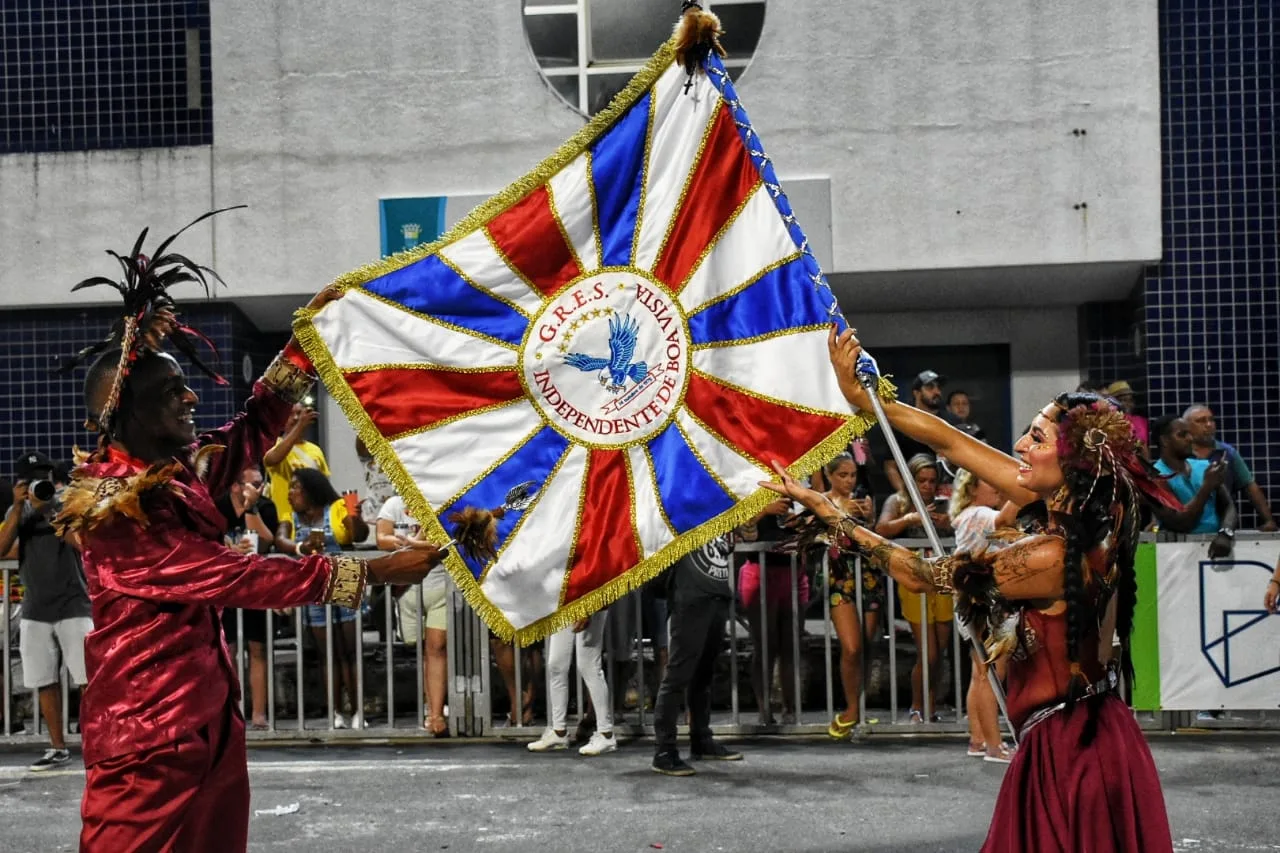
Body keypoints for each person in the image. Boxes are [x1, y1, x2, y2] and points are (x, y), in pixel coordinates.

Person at [53, 216, 440, 853]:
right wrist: (367, 572)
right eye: (172, 390)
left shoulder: (177, 474)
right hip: (146, 740)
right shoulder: (111, 508)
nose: (190, 399)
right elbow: (229, 574)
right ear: (125, 411)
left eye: (185, 385)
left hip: (209, 726)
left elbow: (250, 430)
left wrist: (303, 345)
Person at [761, 326, 1178, 852]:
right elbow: (952, 441)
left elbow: (921, 575)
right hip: (1092, 737)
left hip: (1070, 753)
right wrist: (867, 401)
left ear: (1073, 467)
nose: (1022, 445)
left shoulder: (1053, 555)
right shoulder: (1092, 520)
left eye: (1037, 438)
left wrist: (831, 518)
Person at [0, 451, 91, 771]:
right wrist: (19, 511)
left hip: (74, 604)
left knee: (88, 679)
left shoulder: (68, 505)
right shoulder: (17, 511)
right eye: (34, 478)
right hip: (35, 609)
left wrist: (55, 516)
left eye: (46, 476)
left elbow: (83, 545)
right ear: (21, 483)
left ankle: (98, 745)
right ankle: (57, 747)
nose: (43, 483)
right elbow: (1, 549)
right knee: (43, 680)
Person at [276, 467, 370, 729]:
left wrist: (354, 516)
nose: (290, 493)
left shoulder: (338, 506)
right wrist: (299, 548)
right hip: (314, 584)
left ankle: (359, 711)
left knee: (349, 651)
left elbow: (358, 535)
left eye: (296, 487)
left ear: (312, 490)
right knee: (327, 653)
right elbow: (280, 539)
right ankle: (336, 713)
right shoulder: (290, 516)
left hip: (345, 575)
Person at [800, 453, 879, 738]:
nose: (849, 481)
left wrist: (868, 518)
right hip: (839, 578)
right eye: (843, 475)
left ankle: (860, 705)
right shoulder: (822, 502)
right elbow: (810, 532)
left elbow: (875, 537)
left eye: (852, 475)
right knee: (852, 647)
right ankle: (851, 708)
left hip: (869, 576)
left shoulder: (864, 501)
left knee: (867, 646)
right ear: (830, 475)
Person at [651, 533, 744, 776]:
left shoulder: (718, 512)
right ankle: (664, 750)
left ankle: (701, 739)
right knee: (678, 676)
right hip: (691, 596)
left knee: (703, 675)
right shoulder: (683, 507)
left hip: (716, 592)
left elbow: (730, 545)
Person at [875, 452, 953, 723]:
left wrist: (948, 522)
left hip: (942, 579)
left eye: (932, 481)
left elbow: (963, 525)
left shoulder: (944, 504)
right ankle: (916, 706)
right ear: (911, 480)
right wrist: (909, 519)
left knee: (939, 653)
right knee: (927, 652)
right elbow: (881, 529)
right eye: (922, 480)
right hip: (914, 581)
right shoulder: (898, 501)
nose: (927, 486)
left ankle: (930, 706)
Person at [948, 468, 1018, 763]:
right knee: (990, 674)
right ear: (973, 487)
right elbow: (1004, 519)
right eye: (991, 481)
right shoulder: (978, 514)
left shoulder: (967, 515)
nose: (997, 487)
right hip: (987, 602)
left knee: (980, 674)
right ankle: (993, 745)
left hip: (974, 600)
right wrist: (1020, 491)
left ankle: (978, 739)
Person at [376, 494, 449, 735]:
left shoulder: (439, 500)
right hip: (407, 590)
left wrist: (410, 543)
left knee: (436, 647)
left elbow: (440, 542)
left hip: (440, 586)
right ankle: (431, 705)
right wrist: (412, 543)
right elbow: (381, 539)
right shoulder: (394, 504)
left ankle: (436, 714)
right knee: (418, 648)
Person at [216, 466, 277, 729]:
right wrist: (229, 549)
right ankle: (230, 710)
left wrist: (251, 509)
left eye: (260, 483)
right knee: (226, 649)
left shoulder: (265, 507)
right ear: (236, 486)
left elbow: (266, 541)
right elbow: (206, 541)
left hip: (255, 585)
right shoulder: (217, 507)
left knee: (257, 647)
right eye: (252, 484)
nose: (258, 488)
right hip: (224, 586)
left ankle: (259, 713)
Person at [736, 496, 804, 726]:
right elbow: (745, 532)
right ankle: (764, 708)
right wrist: (764, 511)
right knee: (764, 645)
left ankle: (790, 707)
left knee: (790, 645)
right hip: (760, 571)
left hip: (793, 572)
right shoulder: (750, 490)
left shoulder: (797, 490)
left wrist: (802, 523)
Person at [526, 613, 617, 756]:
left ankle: (606, 734)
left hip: (591, 598)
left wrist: (587, 610)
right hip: (566, 601)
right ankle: (559, 732)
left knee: (589, 666)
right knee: (556, 665)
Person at [1149, 415, 1235, 557]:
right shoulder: (1156, 477)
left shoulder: (1204, 466)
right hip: (1178, 556)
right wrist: (1206, 487)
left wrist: (1225, 533)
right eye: (1182, 435)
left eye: (1189, 433)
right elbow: (1181, 523)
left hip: (1216, 548)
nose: (1190, 438)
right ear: (1165, 441)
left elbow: (1228, 506)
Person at [1183, 404, 1277, 531]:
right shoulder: (1180, 454)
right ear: (1186, 427)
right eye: (1201, 421)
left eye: (1211, 420)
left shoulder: (1227, 453)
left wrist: (1268, 520)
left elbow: (1250, 486)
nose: (1209, 424)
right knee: (1151, 550)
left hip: (1224, 525)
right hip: (1186, 524)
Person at [263, 403, 329, 526]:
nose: (295, 418)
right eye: (289, 414)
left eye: (299, 413)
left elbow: (323, 487)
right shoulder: (273, 445)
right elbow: (272, 460)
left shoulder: (315, 450)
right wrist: (300, 425)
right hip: (284, 521)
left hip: (313, 522)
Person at [1104, 381, 1150, 448]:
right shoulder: (1107, 422)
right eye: (1123, 400)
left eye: (1131, 400)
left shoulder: (1142, 421)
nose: (1128, 404)